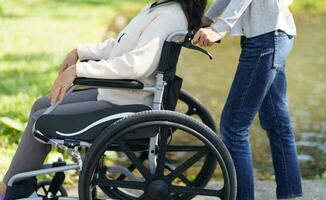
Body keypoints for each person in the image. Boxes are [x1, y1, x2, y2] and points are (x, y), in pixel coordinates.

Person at [0, 0, 207, 198]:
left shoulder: (169, 16)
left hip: (129, 103)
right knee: (43, 105)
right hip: (117, 95)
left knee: (41, 119)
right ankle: (12, 186)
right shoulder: (156, 8)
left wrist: (78, 70)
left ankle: (15, 192)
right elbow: (120, 46)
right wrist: (79, 52)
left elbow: (135, 65)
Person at [193, 0, 302, 200]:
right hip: (273, 35)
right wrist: (207, 18)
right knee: (277, 122)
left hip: (266, 39)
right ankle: (289, 196)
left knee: (233, 126)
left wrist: (219, 28)